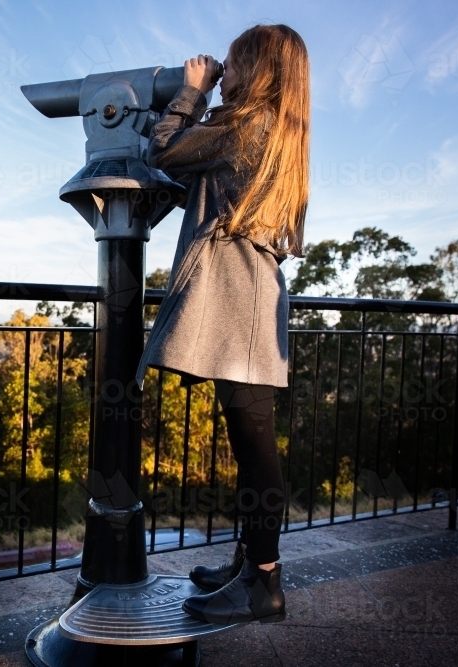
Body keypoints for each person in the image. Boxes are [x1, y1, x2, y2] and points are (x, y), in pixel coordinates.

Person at [135, 24, 310, 625]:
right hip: (249, 304)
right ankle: (247, 564)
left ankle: (263, 585)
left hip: (243, 311)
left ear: (256, 71)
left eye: (231, 65)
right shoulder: (270, 133)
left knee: (257, 450)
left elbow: (161, 151)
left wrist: (190, 92)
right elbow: (194, 186)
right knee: (250, 444)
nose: (222, 73)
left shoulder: (242, 126)